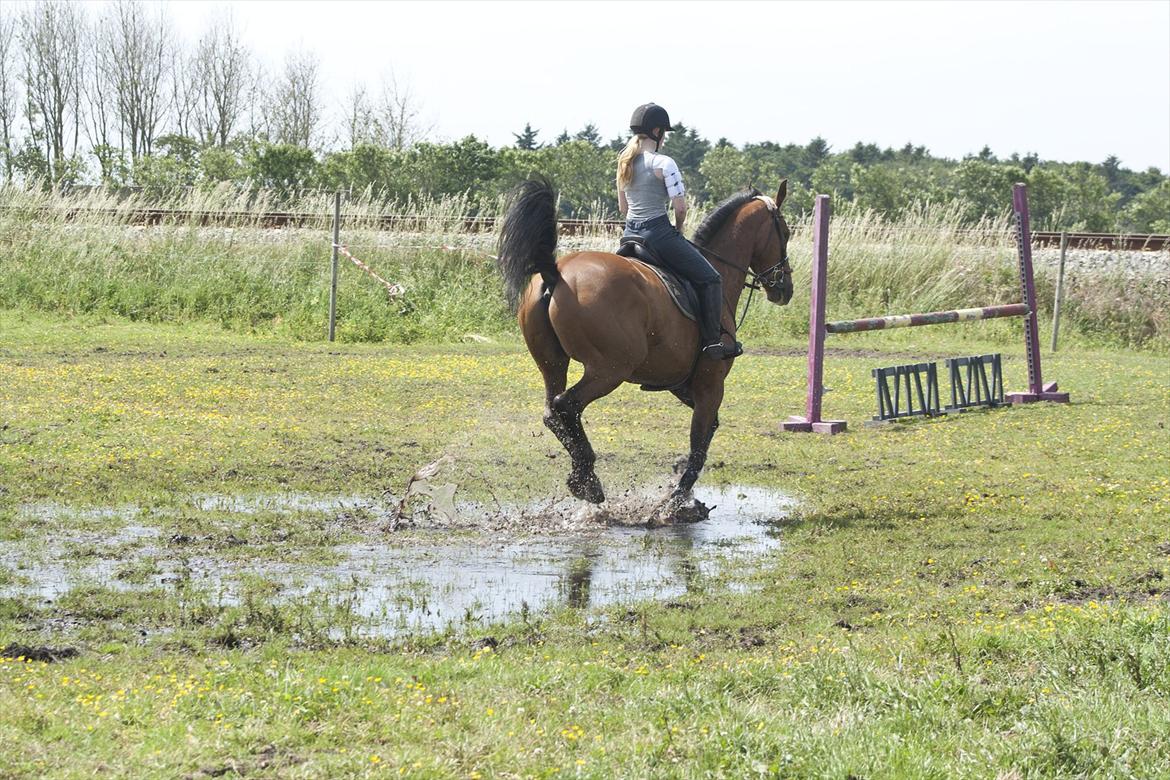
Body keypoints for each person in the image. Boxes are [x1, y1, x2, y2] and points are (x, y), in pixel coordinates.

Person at [617, 102, 741, 360]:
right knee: (710, 278)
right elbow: (680, 208)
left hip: (629, 235)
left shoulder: (624, 162)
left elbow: (623, 207)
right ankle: (711, 343)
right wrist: (678, 229)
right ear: (658, 131)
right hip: (657, 234)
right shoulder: (664, 163)